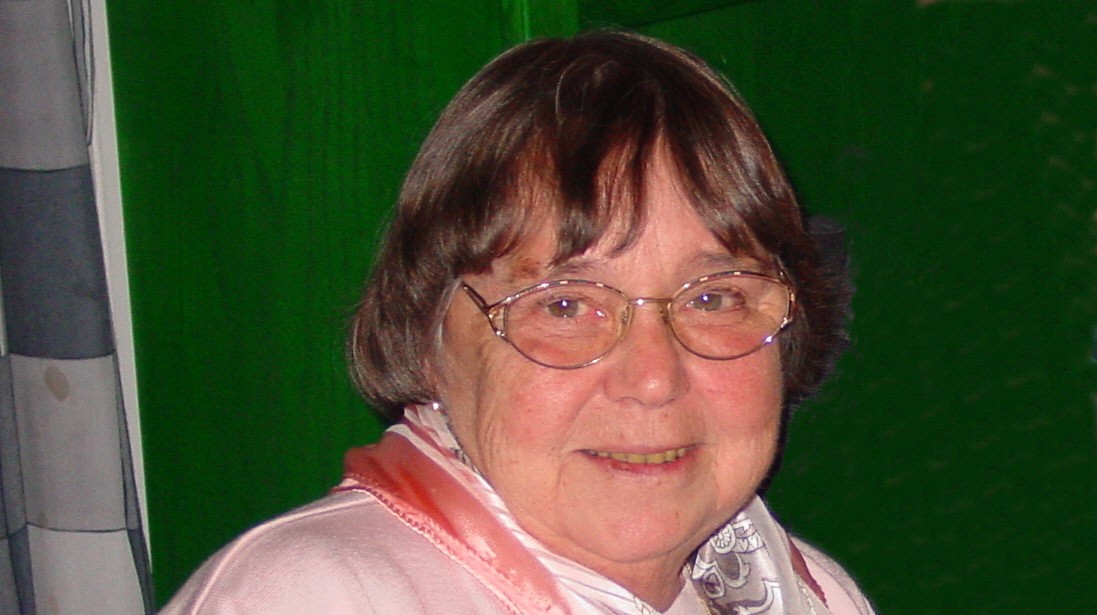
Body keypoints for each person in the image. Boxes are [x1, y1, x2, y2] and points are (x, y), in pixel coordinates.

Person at [161, 31, 872, 614]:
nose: (654, 379)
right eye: (564, 306)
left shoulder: (812, 594)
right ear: (427, 337)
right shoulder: (313, 597)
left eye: (712, 299)